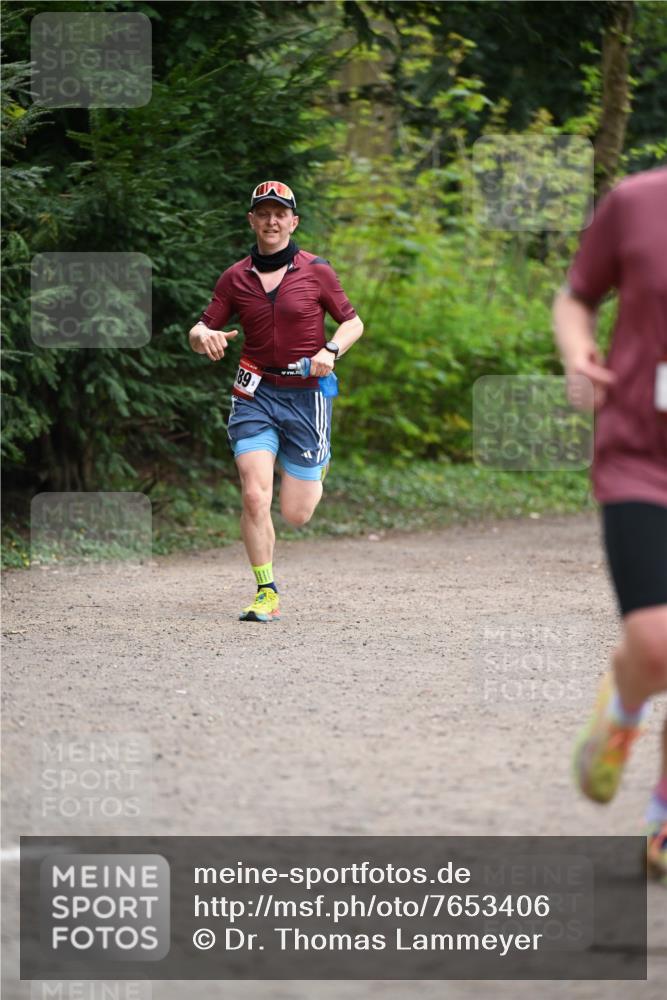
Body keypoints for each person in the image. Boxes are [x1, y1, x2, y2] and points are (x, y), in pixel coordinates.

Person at [553, 166, 667, 883]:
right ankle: (624, 702)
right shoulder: (635, 203)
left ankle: (662, 818)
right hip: (639, 457)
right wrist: (576, 353)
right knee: (656, 640)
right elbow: (575, 297)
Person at [188, 181, 363, 622]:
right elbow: (200, 329)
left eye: (280, 213)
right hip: (255, 394)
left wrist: (331, 351)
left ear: (293, 221)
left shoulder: (317, 271)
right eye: (263, 213)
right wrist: (202, 336)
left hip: (306, 398)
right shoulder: (235, 277)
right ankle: (266, 589)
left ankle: (315, 459)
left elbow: (352, 323)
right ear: (252, 220)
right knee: (253, 495)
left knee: (297, 514)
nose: (271, 220)